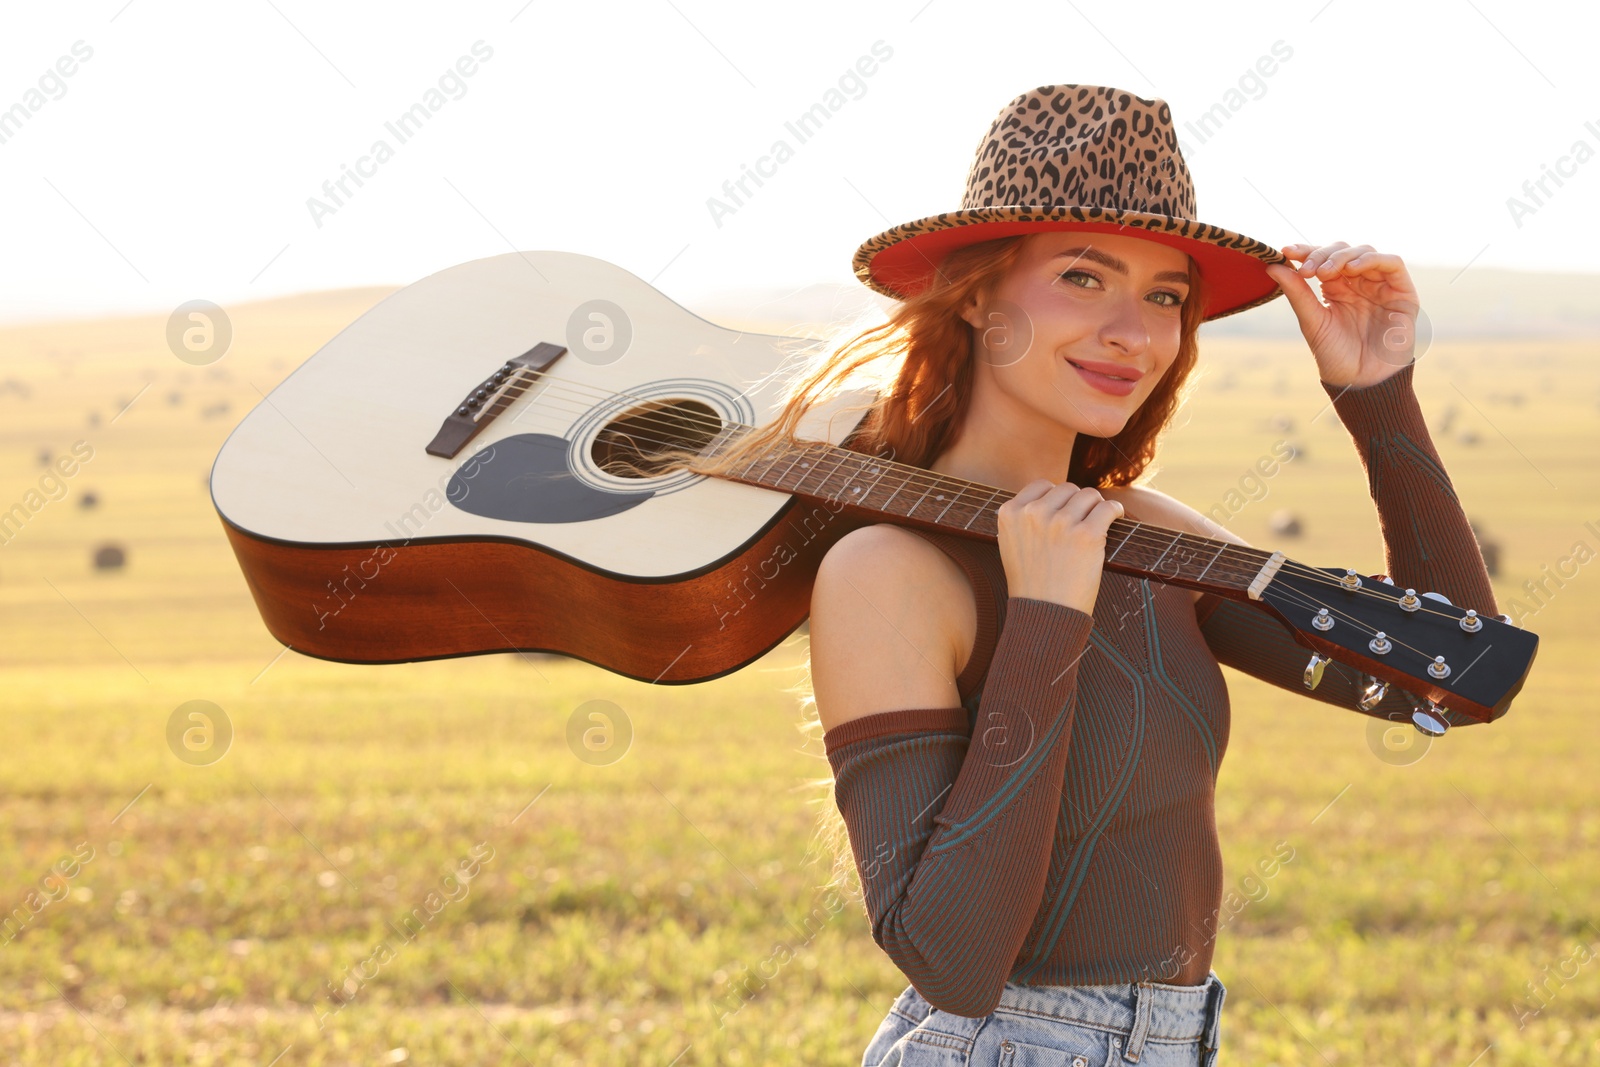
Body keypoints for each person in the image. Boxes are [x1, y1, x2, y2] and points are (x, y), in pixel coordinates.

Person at [671, 83, 1508, 1066]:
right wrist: (1044, 616)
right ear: (976, 294)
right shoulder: (884, 569)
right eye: (1083, 278)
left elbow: (1451, 681)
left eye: (1164, 296)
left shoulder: (1147, 534)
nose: (1134, 332)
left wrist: (1377, 396)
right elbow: (952, 956)